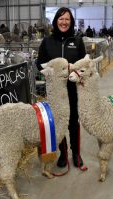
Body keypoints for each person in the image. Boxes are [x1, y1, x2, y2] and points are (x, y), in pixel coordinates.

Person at [37, 7, 86, 168]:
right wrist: (51, 72)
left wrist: (74, 68)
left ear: (71, 22)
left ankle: (76, 154)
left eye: (67, 19)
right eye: (61, 19)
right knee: (59, 122)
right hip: (56, 92)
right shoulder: (47, 42)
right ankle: (63, 154)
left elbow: (84, 65)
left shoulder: (77, 40)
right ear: (56, 20)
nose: (64, 22)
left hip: (72, 89)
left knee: (73, 121)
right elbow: (40, 64)